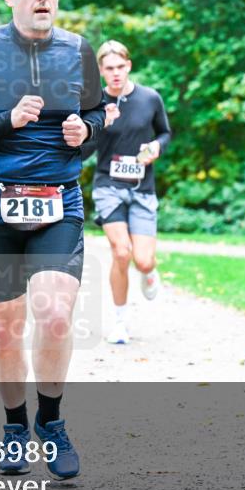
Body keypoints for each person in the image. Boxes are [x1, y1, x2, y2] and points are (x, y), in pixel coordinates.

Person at [0, 0, 105, 480]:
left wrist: (86, 131)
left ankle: (52, 423)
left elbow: (95, 115)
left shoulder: (78, 50)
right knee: (3, 330)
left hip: (58, 200)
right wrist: (8, 120)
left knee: (56, 313)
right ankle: (15, 425)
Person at [90, 40, 171, 344]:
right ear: (100, 71)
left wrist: (156, 147)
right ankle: (120, 323)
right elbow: (84, 147)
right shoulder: (95, 102)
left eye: (120, 67)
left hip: (142, 189)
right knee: (120, 252)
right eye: (109, 68)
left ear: (129, 66)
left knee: (143, 260)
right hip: (108, 186)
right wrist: (98, 125)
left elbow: (165, 132)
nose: (115, 74)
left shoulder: (150, 98)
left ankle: (150, 272)